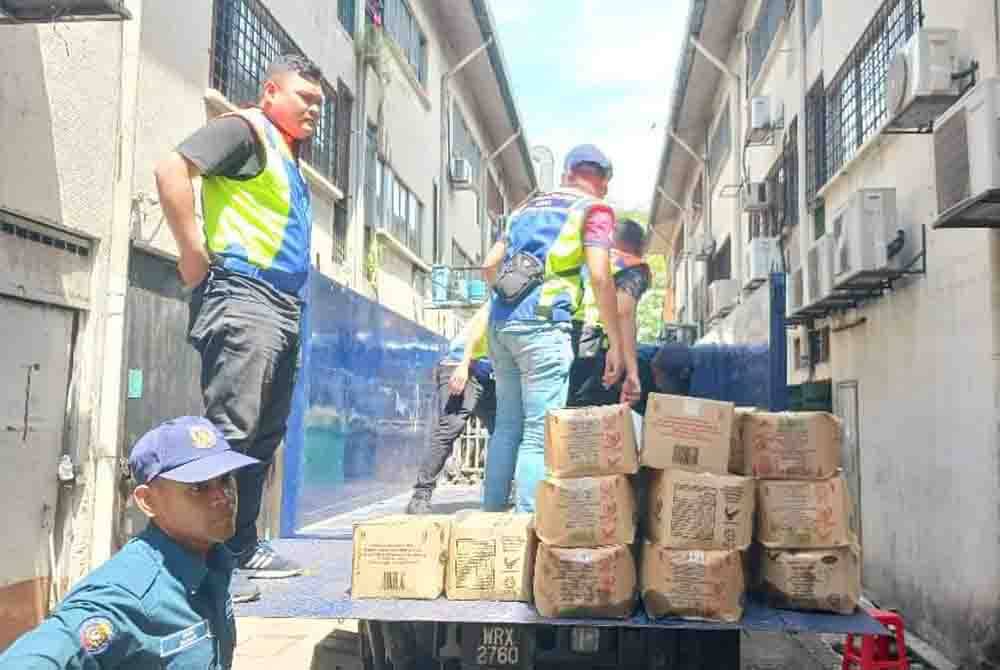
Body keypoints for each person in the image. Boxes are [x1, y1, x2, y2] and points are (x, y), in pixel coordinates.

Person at [155, 54, 324, 591]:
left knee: (264, 434)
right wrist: (192, 253)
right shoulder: (245, 130)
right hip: (243, 293)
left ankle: (242, 547)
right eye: (306, 97)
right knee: (232, 431)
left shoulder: (286, 156)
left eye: (320, 102)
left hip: (280, 304)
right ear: (271, 92)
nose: (315, 109)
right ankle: (203, 565)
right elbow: (170, 169)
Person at [0, 416, 259, 669]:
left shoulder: (214, 558)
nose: (222, 497)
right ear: (147, 501)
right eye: (198, 487)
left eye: (225, 479)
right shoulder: (127, 594)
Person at [480, 144, 641, 513]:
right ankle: (526, 527)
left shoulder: (523, 211)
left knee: (507, 427)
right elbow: (600, 276)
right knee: (539, 435)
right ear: (603, 182)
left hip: (501, 323)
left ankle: (490, 523)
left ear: (567, 173)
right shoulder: (594, 211)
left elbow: (489, 266)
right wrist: (615, 345)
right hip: (544, 325)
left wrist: (512, 295)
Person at [405, 302, 496, 514]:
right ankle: (421, 495)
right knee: (449, 428)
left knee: (504, 430)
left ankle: (497, 492)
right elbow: (479, 325)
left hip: (487, 373)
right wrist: (463, 365)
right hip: (461, 365)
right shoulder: (507, 291)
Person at [568, 219, 652, 407]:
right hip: (594, 346)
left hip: (564, 335)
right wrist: (632, 371)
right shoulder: (634, 266)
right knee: (588, 420)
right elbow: (623, 311)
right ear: (639, 246)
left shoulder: (589, 258)